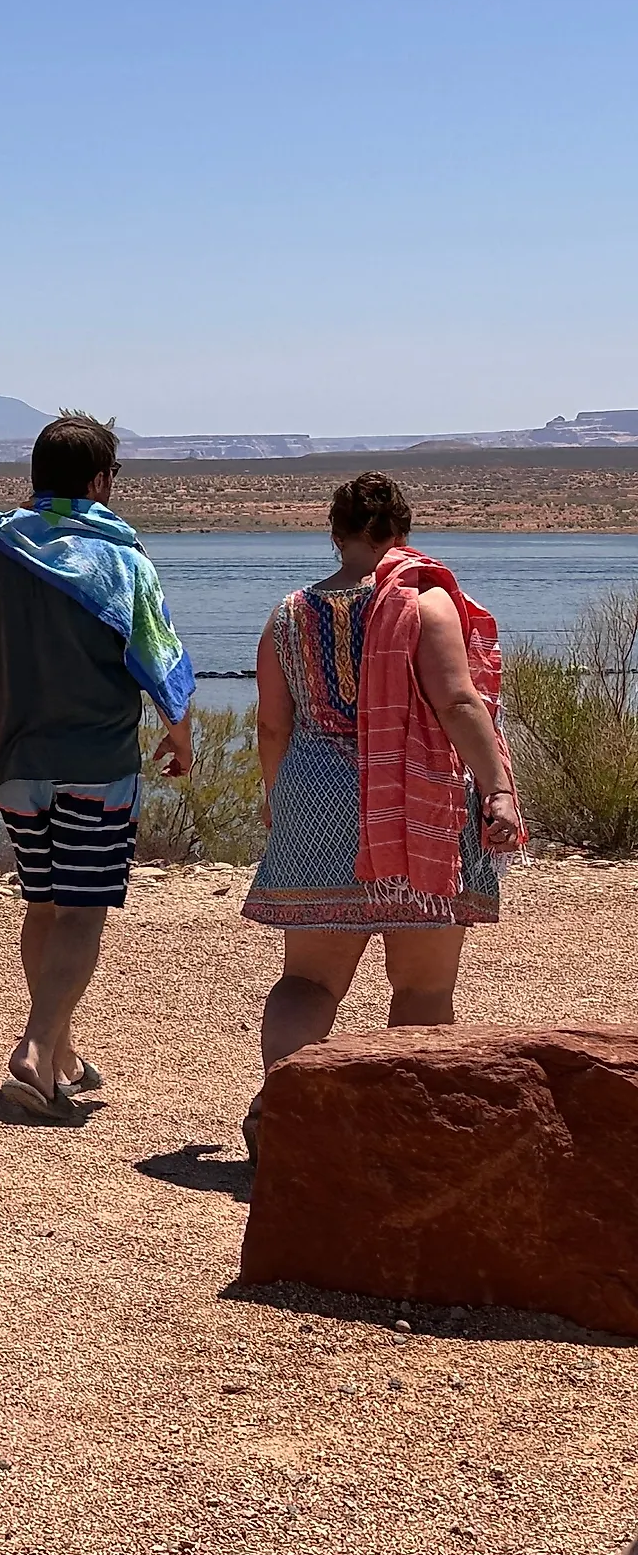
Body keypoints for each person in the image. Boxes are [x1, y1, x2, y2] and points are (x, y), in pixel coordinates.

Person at [239, 472, 523, 1155]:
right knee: (423, 988)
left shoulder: (289, 613)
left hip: (315, 802)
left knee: (308, 980)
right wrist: (498, 788)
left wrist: (281, 800)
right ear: (402, 533)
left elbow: (273, 727)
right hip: (416, 805)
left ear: (334, 533)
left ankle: (286, 1113)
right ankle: (412, 1133)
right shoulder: (424, 606)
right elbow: (458, 704)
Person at [0, 412, 195, 1119]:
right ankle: (35, 1050)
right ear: (100, 480)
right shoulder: (123, 558)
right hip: (98, 763)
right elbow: (158, 656)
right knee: (82, 914)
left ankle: (64, 1051)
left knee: (43, 906)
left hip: (15, 760)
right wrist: (181, 732)